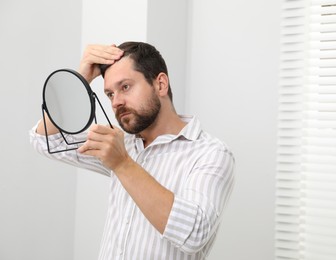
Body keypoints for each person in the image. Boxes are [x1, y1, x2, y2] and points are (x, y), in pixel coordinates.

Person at [30, 42, 235, 260]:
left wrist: (122, 164)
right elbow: (45, 140)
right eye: (109, 94)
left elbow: (194, 234)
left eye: (125, 87)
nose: (116, 102)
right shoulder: (123, 144)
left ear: (161, 84)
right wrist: (80, 81)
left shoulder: (211, 153)